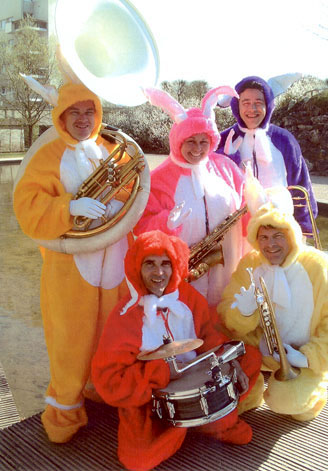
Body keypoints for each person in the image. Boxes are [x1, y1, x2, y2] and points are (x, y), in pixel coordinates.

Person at [13, 82, 132, 443]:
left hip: (115, 257)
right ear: (61, 115)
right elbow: (26, 205)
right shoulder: (48, 155)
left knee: (115, 329)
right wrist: (68, 207)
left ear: (98, 113)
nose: (83, 119)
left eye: (89, 111)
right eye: (74, 112)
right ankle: (64, 410)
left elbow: (135, 190)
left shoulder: (114, 149)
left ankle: (106, 391)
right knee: (69, 336)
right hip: (70, 264)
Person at [91, 230, 262, 471]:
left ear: (174, 267)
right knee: (137, 460)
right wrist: (157, 374)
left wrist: (232, 364)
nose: (159, 273)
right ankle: (199, 425)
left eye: (165, 264)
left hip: (199, 382)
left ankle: (205, 419)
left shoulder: (187, 297)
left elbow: (210, 335)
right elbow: (108, 381)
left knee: (251, 357)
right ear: (136, 268)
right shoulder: (124, 317)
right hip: (152, 402)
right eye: (150, 264)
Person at [217, 186, 328, 421]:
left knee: (288, 403)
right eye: (264, 237)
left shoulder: (320, 267)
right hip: (262, 350)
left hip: (303, 355)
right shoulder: (251, 263)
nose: (270, 245)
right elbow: (227, 312)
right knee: (215, 327)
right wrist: (244, 313)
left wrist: (308, 357)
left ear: (292, 235)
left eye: (278, 235)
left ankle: (316, 388)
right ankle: (253, 387)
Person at [135, 86, 247, 307]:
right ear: (178, 141)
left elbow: (246, 208)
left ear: (212, 141)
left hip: (227, 270)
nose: (197, 149)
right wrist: (165, 223)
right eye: (190, 141)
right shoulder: (158, 179)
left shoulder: (225, 167)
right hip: (183, 275)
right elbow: (139, 229)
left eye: (203, 142)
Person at [216, 75, 317, 236]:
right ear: (236, 105)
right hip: (237, 230)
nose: (252, 109)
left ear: (268, 104)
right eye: (246, 103)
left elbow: (301, 183)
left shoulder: (284, 139)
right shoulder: (223, 139)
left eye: (258, 103)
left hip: (279, 227)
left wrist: (304, 227)